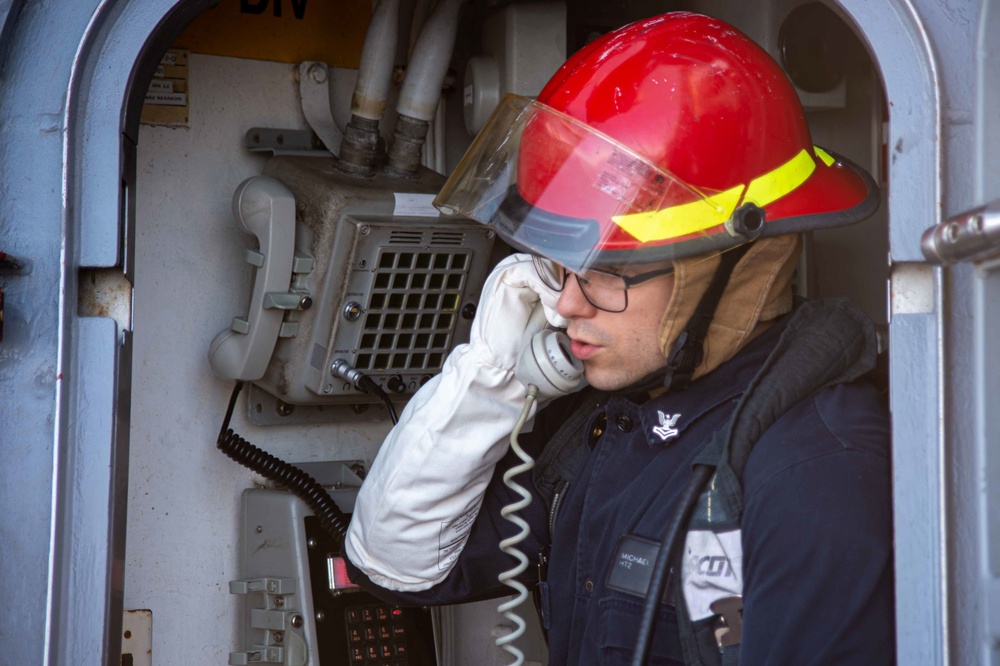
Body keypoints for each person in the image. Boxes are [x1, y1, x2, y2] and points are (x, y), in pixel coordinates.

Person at [344, 11, 894, 665]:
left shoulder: (817, 475)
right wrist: (495, 370)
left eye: (607, 272)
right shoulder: (603, 424)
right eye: (558, 266)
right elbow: (400, 565)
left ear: (734, 264)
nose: (567, 304)